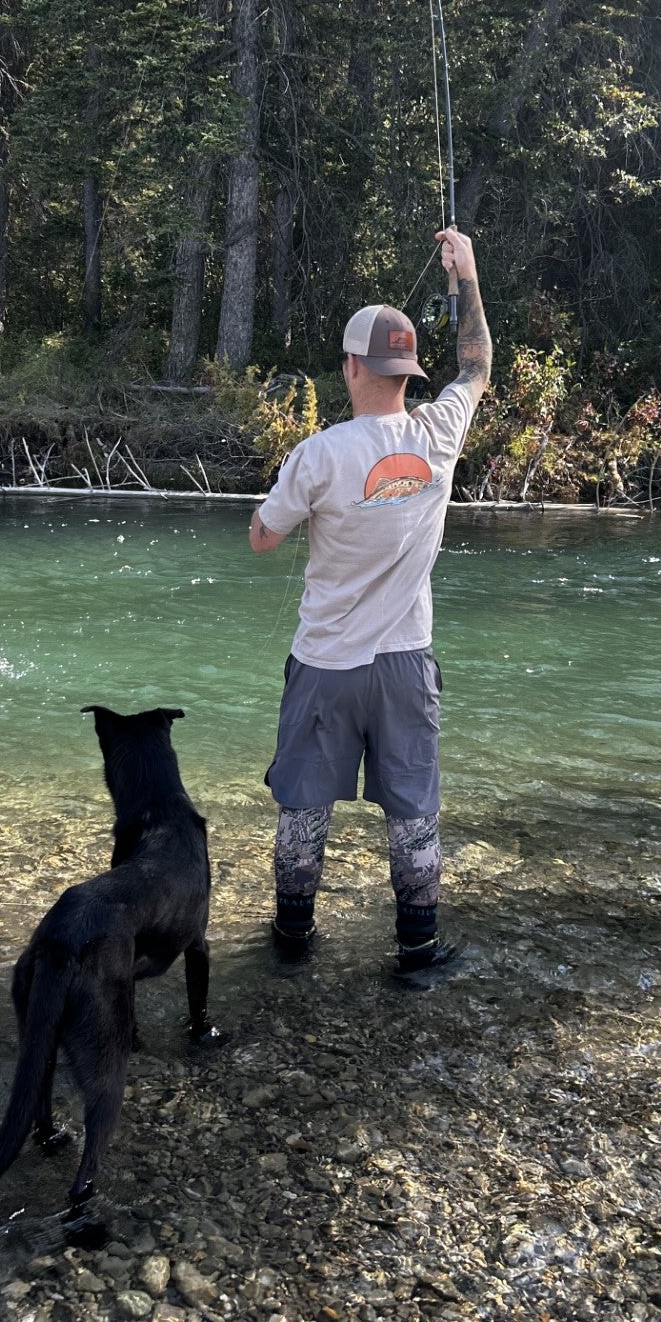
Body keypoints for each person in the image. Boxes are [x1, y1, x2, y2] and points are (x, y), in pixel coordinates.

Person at [248, 227, 493, 973]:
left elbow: (263, 539)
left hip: (325, 661)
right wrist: (470, 279)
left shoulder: (318, 454)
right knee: (414, 808)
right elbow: (478, 364)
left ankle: (292, 944)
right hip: (405, 664)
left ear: (353, 366)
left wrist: (269, 516)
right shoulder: (439, 433)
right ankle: (417, 951)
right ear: (410, 370)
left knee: (304, 807)